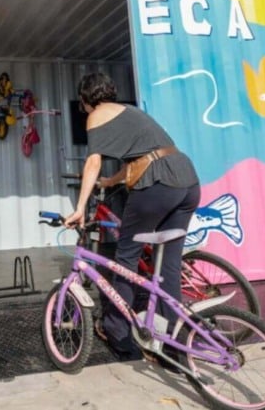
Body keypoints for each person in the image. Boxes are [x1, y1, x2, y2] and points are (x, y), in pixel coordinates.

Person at [64, 72, 201, 364]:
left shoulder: (97, 114)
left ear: (86, 99)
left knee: (125, 260)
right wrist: (109, 182)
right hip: (187, 181)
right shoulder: (131, 113)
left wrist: (80, 207)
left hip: (158, 184)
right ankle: (173, 345)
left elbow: (93, 161)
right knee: (167, 266)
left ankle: (119, 335)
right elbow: (141, 159)